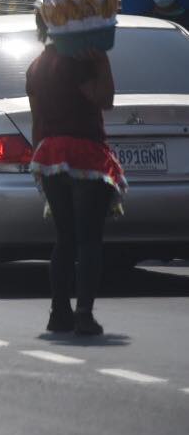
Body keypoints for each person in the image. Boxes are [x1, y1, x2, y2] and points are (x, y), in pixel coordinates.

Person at [26, 17, 125, 336]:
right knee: (89, 239)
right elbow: (105, 100)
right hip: (85, 154)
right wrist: (103, 61)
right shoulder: (78, 60)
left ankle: (59, 312)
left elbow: (37, 122)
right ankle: (84, 314)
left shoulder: (37, 66)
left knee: (64, 238)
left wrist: (38, 165)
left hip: (50, 155)